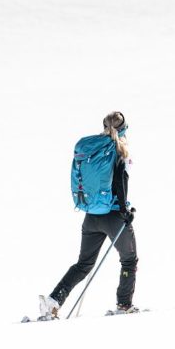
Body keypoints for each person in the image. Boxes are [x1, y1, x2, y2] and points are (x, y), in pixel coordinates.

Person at [39, 112, 138, 319]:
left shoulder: (92, 147)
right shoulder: (118, 150)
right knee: (129, 260)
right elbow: (121, 181)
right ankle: (124, 304)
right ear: (124, 129)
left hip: (91, 216)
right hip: (113, 215)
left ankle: (53, 301)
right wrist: (124, 211)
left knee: (83, 264)